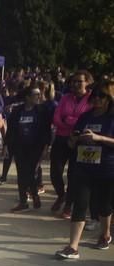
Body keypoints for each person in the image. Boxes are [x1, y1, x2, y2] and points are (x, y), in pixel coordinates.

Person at [56, 80, 114, 259]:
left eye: (101, 96)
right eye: (94, 95)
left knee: (103, 206)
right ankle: (72, 246)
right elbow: (73, 138)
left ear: (109, 98)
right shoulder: (86, 116)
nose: (96, 99)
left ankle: (105, 235)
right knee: (80, 204)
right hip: (83, 165)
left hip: (106, 168)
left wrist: (99, 138)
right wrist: (74, 140)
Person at [51, 71, 93, 218]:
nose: (75, 84)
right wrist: (70, 122)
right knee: (55, 172)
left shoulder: (91, 99)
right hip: (62, 138)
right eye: (73, 81)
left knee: (73, 174)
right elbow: (57, 117)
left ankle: (68, 205)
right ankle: (61, 195)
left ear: (87, 83)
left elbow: (87, 119)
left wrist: (69, 120)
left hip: (80, 141)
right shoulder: (65, 98)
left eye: (79, 81)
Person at [5, 85, 52, 212]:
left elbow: (47, 130)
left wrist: (47, 146)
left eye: (39, 94)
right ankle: (23, 201)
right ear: (27, 97)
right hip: (19, 147)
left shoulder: (42, 111)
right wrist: (7, 145)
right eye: (35, 94)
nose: (38, 97)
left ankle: (34, 194)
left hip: (35, 147)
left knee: (31, 172)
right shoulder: (17, 111)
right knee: (21, 174)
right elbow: (11, 129)